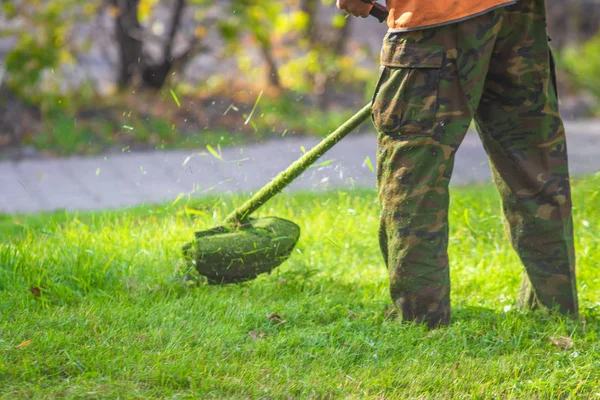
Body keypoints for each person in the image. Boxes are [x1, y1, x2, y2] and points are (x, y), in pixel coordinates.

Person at [337, 0, 579, 327]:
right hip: (518, 12)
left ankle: (420, 325)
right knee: (533, 160)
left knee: (414, 173)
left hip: (435, 14)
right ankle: (556, 312)